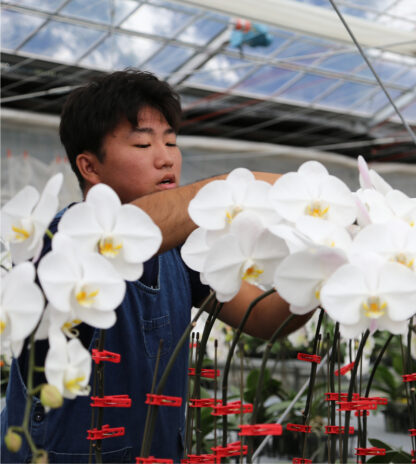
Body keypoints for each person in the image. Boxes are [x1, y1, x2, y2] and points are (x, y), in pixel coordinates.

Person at [1, 70, 306, 462]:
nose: (166, 157)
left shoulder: (180, 254)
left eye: (172, 141)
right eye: (143, 143)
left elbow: (263, 317)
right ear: (90, 167)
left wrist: (320, 275)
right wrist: (232, 189)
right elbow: (135, 229)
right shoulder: (64, 240)